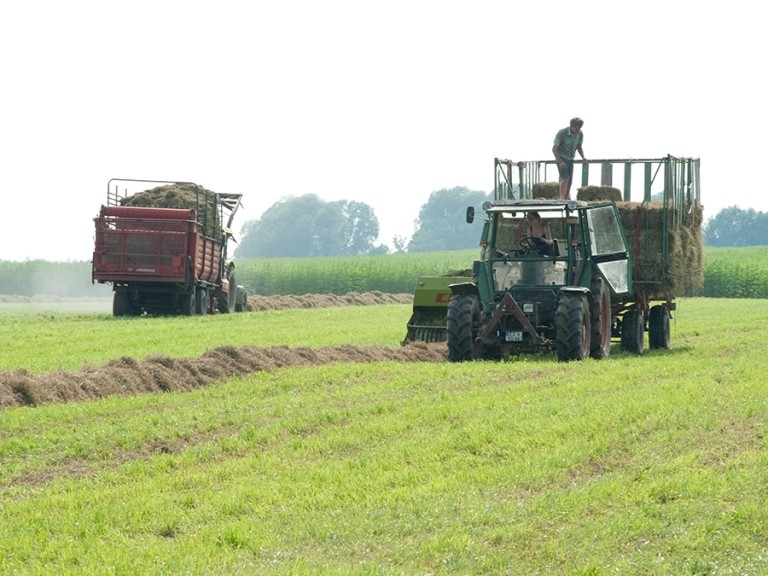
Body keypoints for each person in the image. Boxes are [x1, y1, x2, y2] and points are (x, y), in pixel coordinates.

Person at [552, 117, 586, 200]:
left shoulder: (580, 134)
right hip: (561, 157)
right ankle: (562, 198)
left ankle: (566, 198)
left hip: (571, 158)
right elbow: (554, 149)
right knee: (565, 178)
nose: (578, 130)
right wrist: (560, 162)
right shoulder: (562, 133)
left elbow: (579, 147)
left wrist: (583, 157)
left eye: (580, 128)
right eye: (576, 128)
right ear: (572, 126)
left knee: (570, 181)